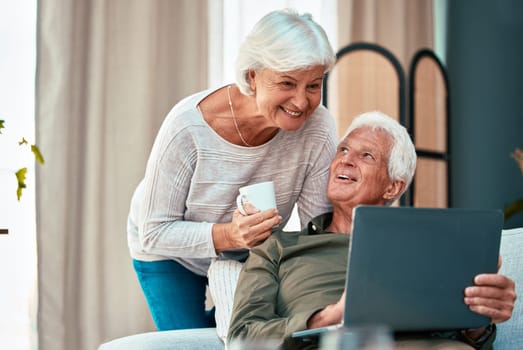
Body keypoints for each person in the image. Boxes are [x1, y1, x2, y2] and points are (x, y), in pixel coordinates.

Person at [227, 111, 517, 350]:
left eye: (367, 156)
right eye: (343, 149)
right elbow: (243, 335)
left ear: (393, 187)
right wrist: (328, 317)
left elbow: (461, 340)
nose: (346, 160)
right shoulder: (278, 247)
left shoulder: (427, 249)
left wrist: (479, 318)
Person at [127, 8, 337, 331]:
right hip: (170, 252)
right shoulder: (187, 128)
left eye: (313, 85)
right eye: (287, 82)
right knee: (193, 339)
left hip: (252, 252)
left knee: (261, 331)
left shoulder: (318, 126)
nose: (301, 101)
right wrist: (230, 234)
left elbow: (316, 232)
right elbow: (154, 231)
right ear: (253, 76)